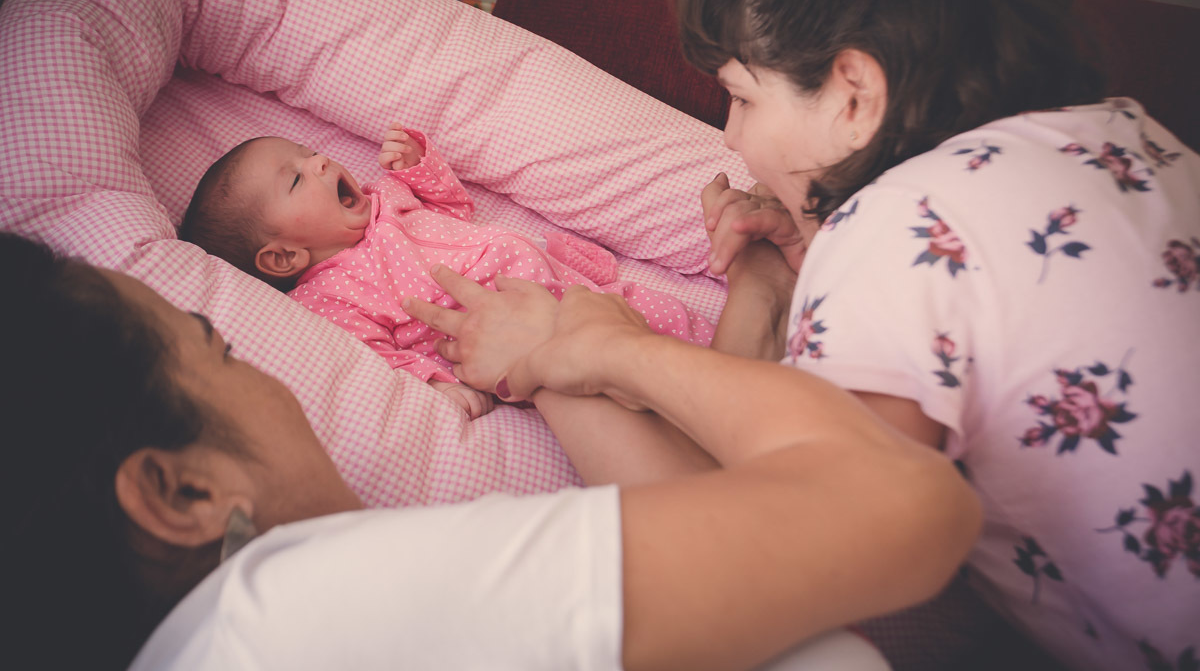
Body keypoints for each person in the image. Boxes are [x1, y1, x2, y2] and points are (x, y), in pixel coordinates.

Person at [401, 0, 1200, 669]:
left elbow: (750, 561)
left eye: (742, 99)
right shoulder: (1131, 135)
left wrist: (555, 353)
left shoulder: (894, 224)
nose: (730, 142)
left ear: (854, 93)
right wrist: (774, 278)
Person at [1, 231, 978, 670]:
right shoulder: (295, 614)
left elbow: (728, 534)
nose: (264, 368)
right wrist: (614, 348)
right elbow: (907, 502)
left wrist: (548, 365)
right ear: (183, 488)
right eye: (218, 350)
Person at [179, 124, 714, 418]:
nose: (318, 163)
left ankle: (745, 365)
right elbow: (373, 358)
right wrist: (434, 384)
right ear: (281, 258)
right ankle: (695, 409)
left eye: (310, 152)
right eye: (295, 180)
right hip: (523, 335)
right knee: (620, 380)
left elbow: (456, 211)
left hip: (571, 285)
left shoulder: (385, 197)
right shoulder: (331, 294)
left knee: (669, 321)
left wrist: (417, 166)